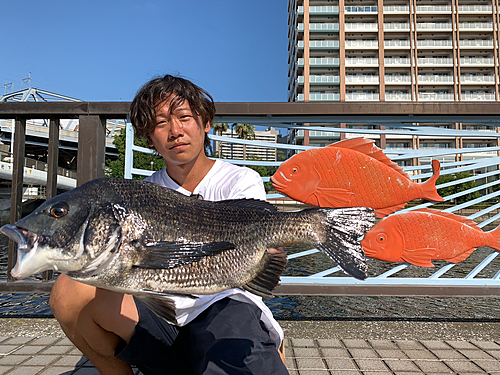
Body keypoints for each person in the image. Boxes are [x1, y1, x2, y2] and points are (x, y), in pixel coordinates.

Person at [49, 74, 289, 375]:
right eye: (161, 123)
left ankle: (264, 347)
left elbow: (258, 259)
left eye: (185, 117)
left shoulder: (241, 180)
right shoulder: (142, 194)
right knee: (69, 291)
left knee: (235, 346)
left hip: (225, 305)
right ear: (150, 139)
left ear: (205, 123)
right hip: (162, 310)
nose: (175, 131)